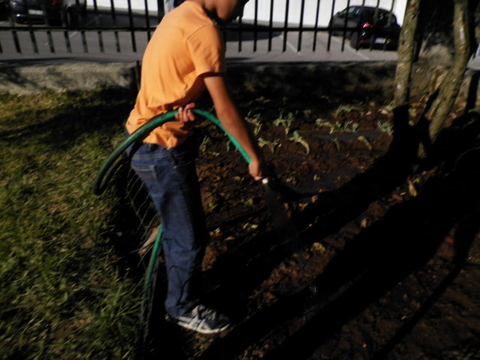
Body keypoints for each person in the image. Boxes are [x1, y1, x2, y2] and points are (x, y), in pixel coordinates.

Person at [125, 0, 265, 335]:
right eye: (244, 0)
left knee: (179, 223)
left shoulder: (180, 14)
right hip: (161, 148)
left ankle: (166, 245)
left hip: (143, 134)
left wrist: (177, 104)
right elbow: (225, 109)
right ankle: (181, 307)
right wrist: (255, 156)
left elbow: (168, 73)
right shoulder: (205, 30)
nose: (243, 9)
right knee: (189, 238)